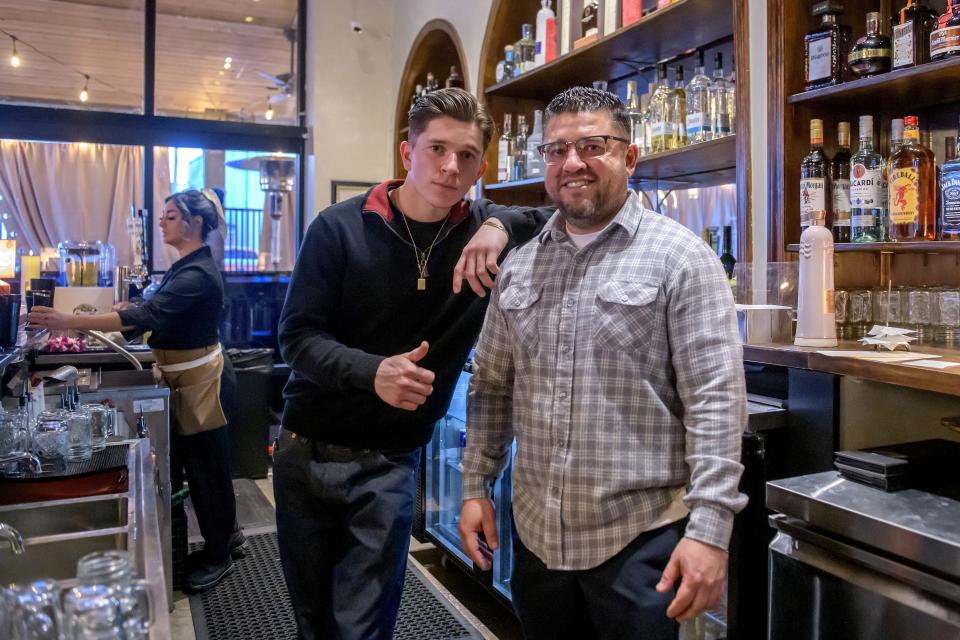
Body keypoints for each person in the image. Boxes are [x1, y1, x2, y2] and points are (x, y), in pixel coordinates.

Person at [459, 86, 747, 640]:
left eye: (592, 145)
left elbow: (715, 403)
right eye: (556, 150)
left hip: (640, 544)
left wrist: (710, 532)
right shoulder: (519, 267)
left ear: (629, 157)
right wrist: (475, 487)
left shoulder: (682, 259)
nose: (572, 163)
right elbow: (492, 388)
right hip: (537, 538)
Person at [273, 87, 550, 639]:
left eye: (467, 156)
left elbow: (563, 214)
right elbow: (296, 338)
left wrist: (500, 225)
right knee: (311, 622)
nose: (450, 167)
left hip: (390, 465)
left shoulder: (482, 230)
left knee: (362, 629)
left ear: (482, 167)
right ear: (407, 152)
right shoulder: (338, 227)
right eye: (437, 149)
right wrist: (373, 372)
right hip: (304, 451)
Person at [28, 188, 246, 593]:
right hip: (186, 376)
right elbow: (150, 308)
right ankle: (227, 537)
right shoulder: (186, 266)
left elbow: (148, 315)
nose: (161, 222)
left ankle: (220, 555)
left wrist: (67, 319)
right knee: (200, 465)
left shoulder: (197, 273)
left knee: (208, 469)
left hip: (203, 381)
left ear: (196, 223)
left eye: (170, 215)